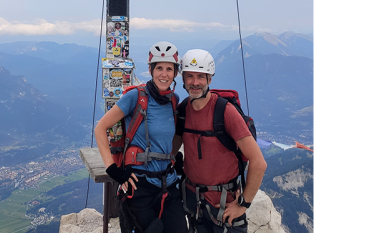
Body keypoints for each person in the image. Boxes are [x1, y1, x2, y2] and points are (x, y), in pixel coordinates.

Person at [95, 42, 187, 233]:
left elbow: (173, 134)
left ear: (175, 73)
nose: (164, 74)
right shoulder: (136, 97)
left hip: (168, 182)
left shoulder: (174, 100)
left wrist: (172, 156)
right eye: (159, 68)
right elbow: (101, 128)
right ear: (150, 70)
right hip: (140, 184)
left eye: (169, 69)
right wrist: (113, 170)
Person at [175, 49, 267, 233]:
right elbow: (170, 149)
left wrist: (243, 205)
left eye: (201, 76)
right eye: (190, 76)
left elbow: (258, 162)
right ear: (183, 79)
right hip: (194, 202)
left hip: (225, 203)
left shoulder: (224, 111)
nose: (195, 82)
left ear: (210, 79)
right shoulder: (183, 109)